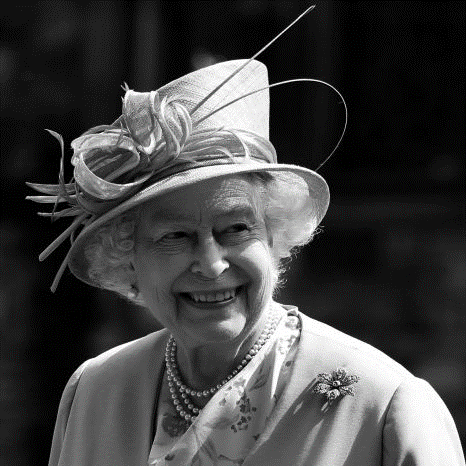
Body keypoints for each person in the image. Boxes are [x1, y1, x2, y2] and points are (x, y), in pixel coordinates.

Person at [28, 13, 464, 466]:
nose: (212, 264)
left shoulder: (384, 405)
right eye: (175, 235)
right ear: (129, 258)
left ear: (276, 237)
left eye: (236, 229)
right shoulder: (94, 391)